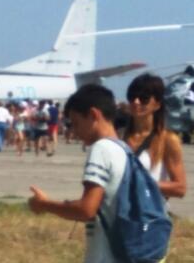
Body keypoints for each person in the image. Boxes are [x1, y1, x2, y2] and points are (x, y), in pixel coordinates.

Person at [28, 84, 129, 263]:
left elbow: (86, 210)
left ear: (93, 115)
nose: (74, 131)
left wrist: (44, 205)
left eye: (76, 123)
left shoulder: (101, 149)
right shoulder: (124, 149)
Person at [124, 73, 186, 200]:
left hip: (148, 209)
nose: (136, 102)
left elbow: (180, 188)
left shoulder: (167, 139)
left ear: (157, 104)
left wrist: (142, 184)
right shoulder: (118, 137)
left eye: (144, 98)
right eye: (131, 97)